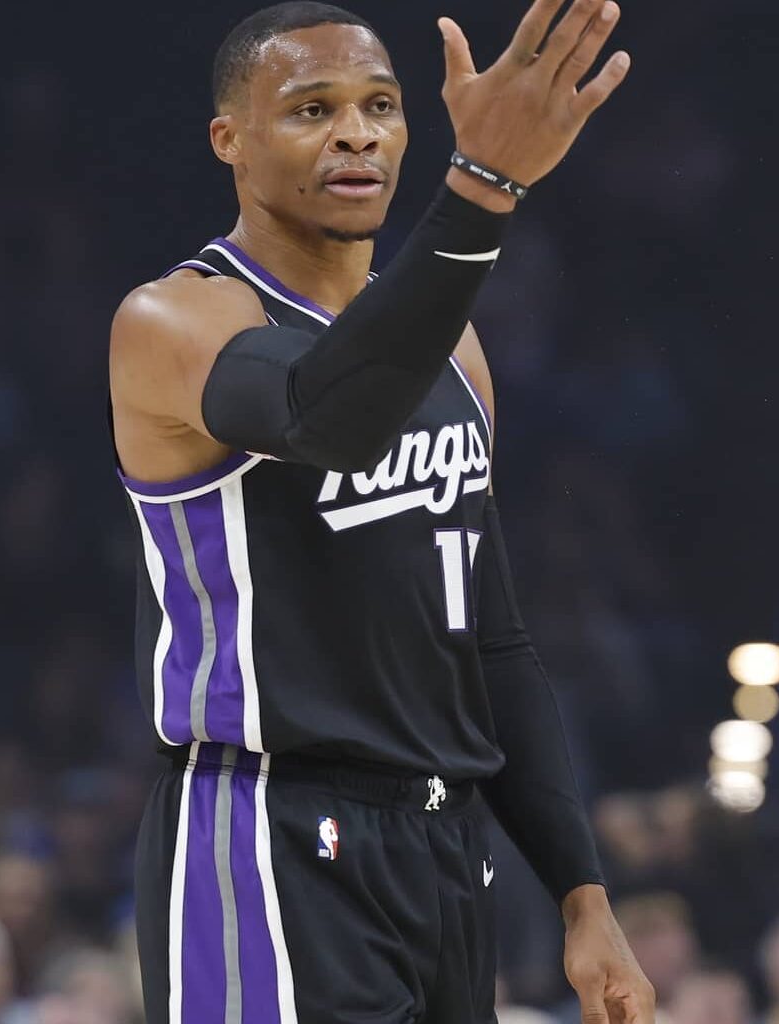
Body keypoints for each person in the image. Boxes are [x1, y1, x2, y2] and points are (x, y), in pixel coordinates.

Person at [106, 0, 646, 1021]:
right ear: (231, 140)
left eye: (380, 107)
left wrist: (583, 895)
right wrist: (482, 186)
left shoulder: (456, 347)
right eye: (312, 109)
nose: (355, 132)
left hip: (444, 846)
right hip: (267, 833)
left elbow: (491, 643)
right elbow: (323, 412)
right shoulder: (175, 317)